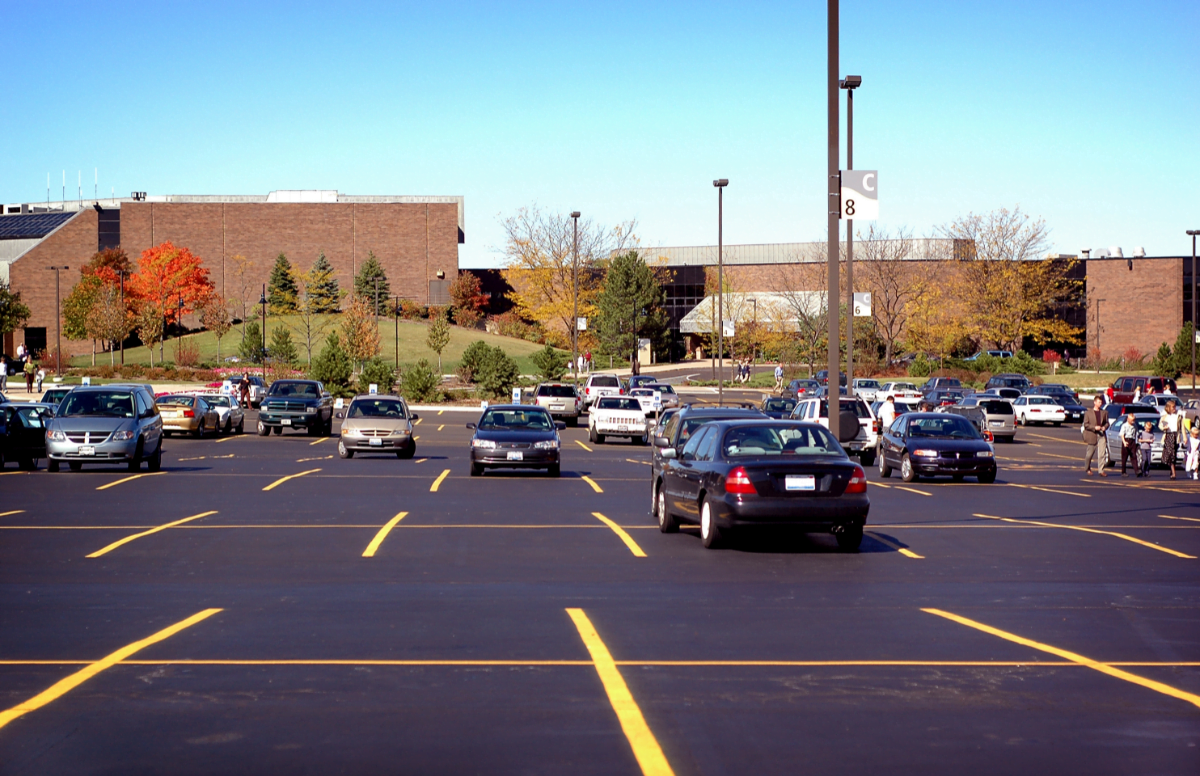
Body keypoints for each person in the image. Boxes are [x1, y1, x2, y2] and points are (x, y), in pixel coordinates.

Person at [1083, 395, 1110, 476]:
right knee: (1089, 454)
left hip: (1101, 434)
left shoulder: (1104, 412)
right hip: (1092, 434)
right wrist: (1094, 427)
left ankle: (1101, 470)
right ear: (1094, 402)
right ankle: (1087, 468)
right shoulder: (1088, 413)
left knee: (1102, 454)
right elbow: (1086, 424)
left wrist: (1104, 427)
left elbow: (1107, 423)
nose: (1100, 403)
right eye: (1099, 402)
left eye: (1101, 402)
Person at [1159, 399, 1184, 480]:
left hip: (1176, 436)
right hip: (1168, 435)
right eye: (1172, 407)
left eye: (1175, 407)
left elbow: (1182, 427)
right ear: (1168, 408)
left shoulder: (1178, 415)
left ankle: (1172, 469)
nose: (1174, 408)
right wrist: (1164, 427)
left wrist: (1185, 437)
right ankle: (1173, 472)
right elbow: (1160, 425)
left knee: (1174, 454)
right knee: (1171, 454)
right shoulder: (1165, 416)